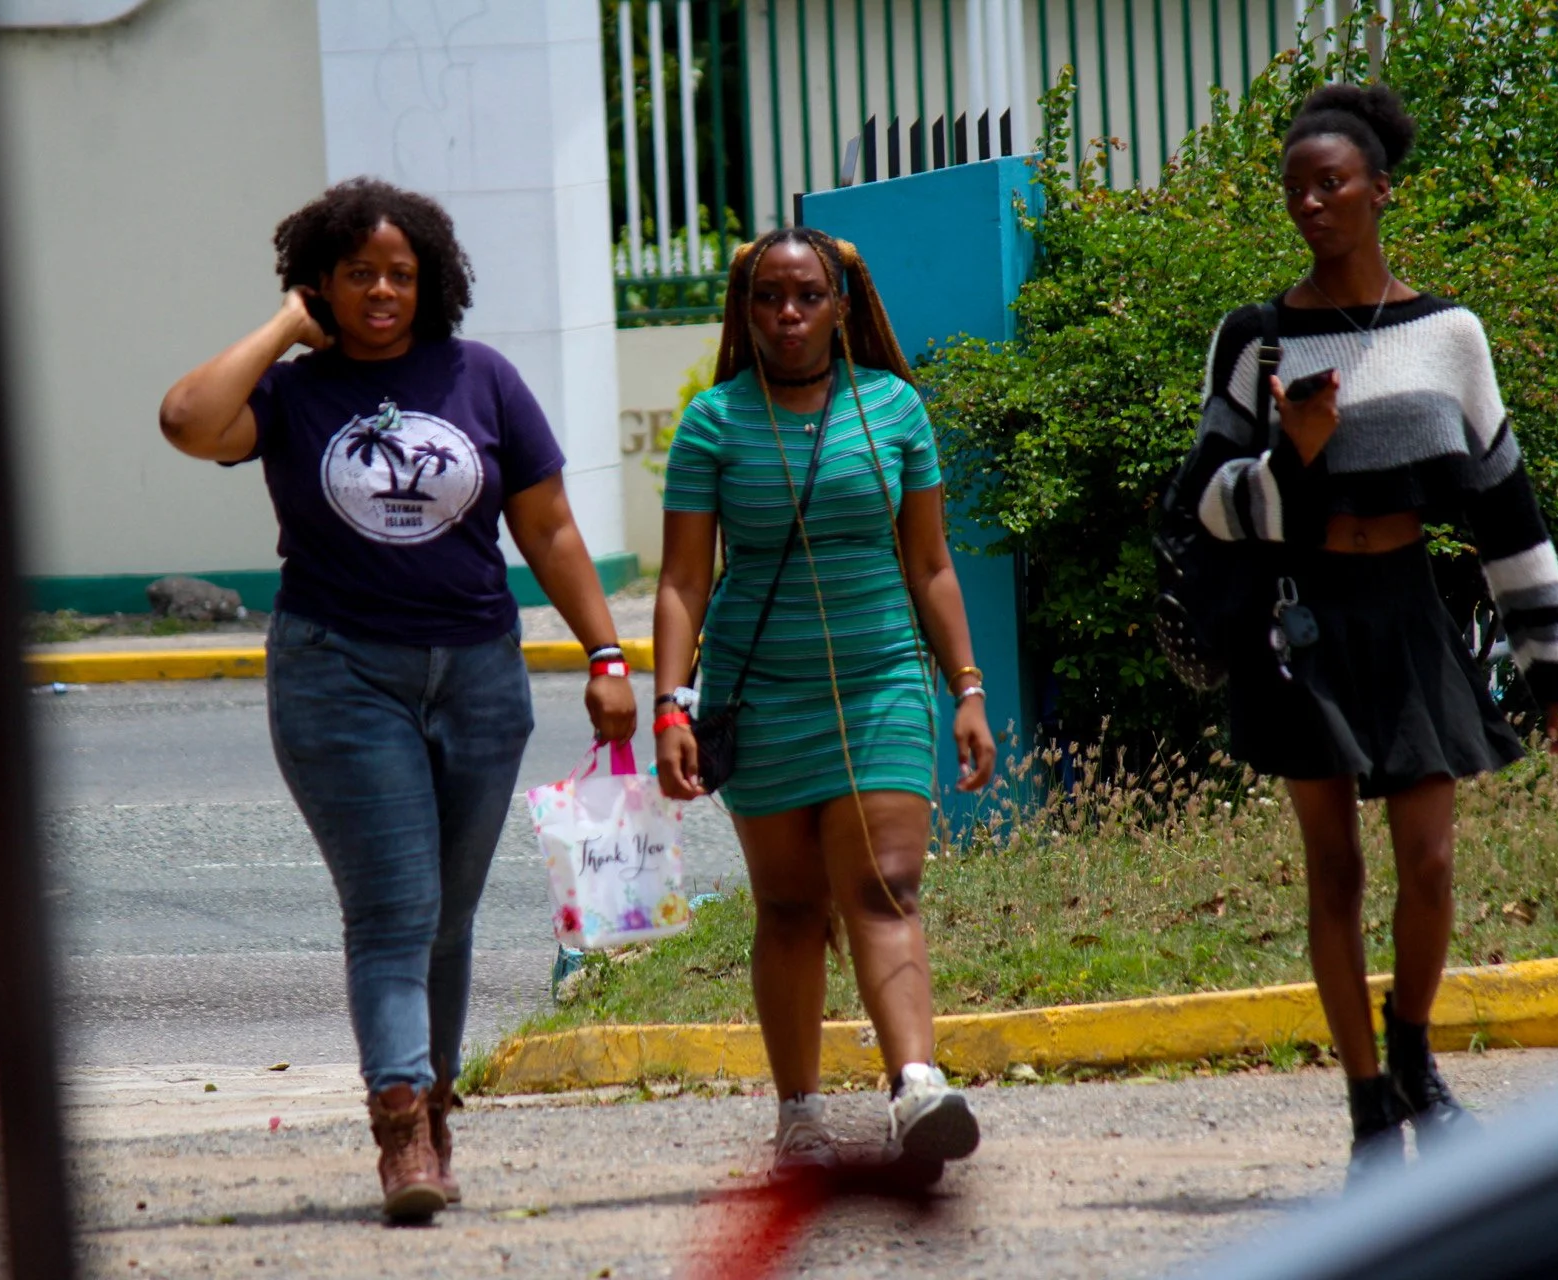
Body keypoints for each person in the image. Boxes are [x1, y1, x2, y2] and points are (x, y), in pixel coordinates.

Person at [157, 178, 635, 1220]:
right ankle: (401, 1123)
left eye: (401, 274)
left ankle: (437, 1099)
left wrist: (604, 654)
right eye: (359, 273)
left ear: (433, 282)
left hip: (479, 672)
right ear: (323, 279)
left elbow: (547, 529)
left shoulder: (482, 377)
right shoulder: (290, 394)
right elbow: (187, 421)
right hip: (340, 672)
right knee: (392, 907)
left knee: (449, 915)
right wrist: (290, 322)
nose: (382, 290)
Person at [1174, 85, 1558, 1184]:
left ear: (1379, 192)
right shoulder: (1255, 336)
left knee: (1433, 862)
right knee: (1334, 873)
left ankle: (1414, 1051)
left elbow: (1504, 502)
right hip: (1303, 624)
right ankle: (1369, 1107)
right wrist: (1291, 455)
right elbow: (1199, 502)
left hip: (1409, 610)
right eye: (1294, 190)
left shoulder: (1448, 333)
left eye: (1331, 184)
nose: (1310, 205)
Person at [652, 226, 998, 1178]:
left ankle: (917, 1085)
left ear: (842, 305)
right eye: (769, 298)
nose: (788, 315)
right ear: (746, 310)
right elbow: (683, 581)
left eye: (807, 296)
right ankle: (800, 1115)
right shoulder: (714, 423)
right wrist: (671, 705)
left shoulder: (894, 409)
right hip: (758, 697)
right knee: (792, 908)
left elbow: (930, 564)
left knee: (887, 885)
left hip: (884, 677)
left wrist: (966, 687)